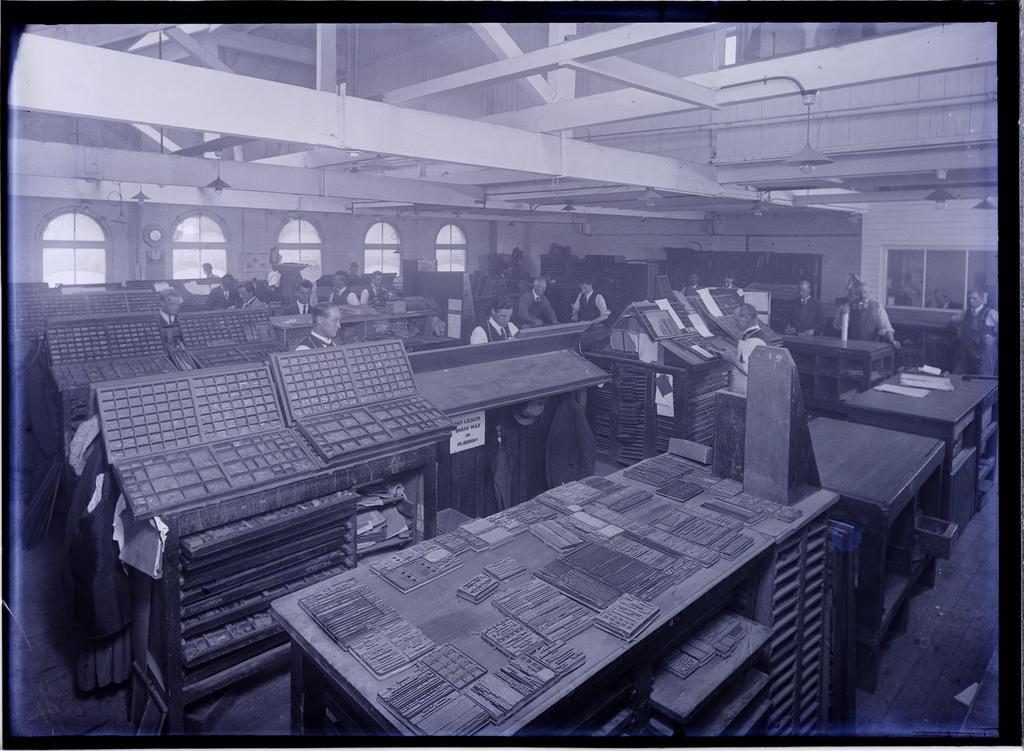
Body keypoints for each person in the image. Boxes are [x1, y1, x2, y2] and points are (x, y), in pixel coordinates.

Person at [711, 303, 768, 397]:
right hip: (745, 390)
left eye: (736, 319)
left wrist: (732, 358)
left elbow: (749, 370)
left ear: (746, 318)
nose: (735, 323)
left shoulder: (754, 340)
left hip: (747, 392)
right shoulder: (753, 335)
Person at [833, 282, 900, 348]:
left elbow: (886, 327)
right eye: (859, 293)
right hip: (850, 346)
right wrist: (842, 314)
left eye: (865, 292)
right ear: (855, 294)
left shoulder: (877, 307)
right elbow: (837, 326)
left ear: (869, 293)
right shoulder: (847, 306)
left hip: (870, 347)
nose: (862, 295)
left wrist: (892, 340)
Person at [950, 290, 998, 375]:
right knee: (957, 375)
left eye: (974, 298)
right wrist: (959, 330)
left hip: (984, 352)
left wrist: (994, 339)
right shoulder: (966, 312)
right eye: (969, 299)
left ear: (982, 299)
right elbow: (953, 320)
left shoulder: (991, 313)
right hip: (967, 351)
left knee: (984, 378)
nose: (971, 301)